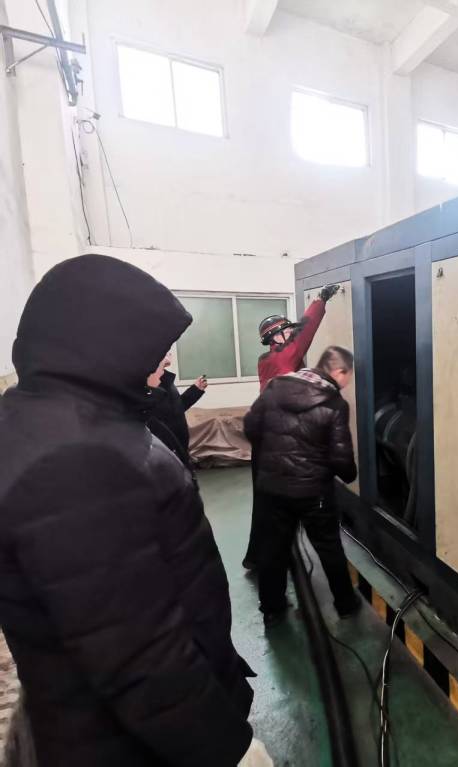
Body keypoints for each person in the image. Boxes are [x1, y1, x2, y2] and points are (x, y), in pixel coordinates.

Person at [0, 254, 269, 766]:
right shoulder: (76, 461)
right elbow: (140, 656)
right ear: (107, 347)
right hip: (126, 744)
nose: (158, 369)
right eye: (153, 356)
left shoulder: (42, 421)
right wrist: (229, 750)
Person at [243, 346, 360, 626]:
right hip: (313, 492)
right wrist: (349, 475)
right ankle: (345, 604)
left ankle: (272, 607)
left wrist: (272, 454)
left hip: (273, 488)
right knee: (328, 547)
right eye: (349, 376)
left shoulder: (275, 388)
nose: (347, 382)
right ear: (339, 371)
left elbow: (250, 426)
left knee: (274, 548)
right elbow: (341, 457)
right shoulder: (334, 404)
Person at [243, 283, 340, 570]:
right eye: (286, 331)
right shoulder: (281, 357)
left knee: (266, 500)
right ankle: (272, 558)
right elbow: (304, 334)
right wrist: (320, 300)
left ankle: (259, 556)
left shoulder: (267, 360)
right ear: (275, 337)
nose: (291, 334)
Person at [143, 352, 208, 466]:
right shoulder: (148, 385)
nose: (169, 353)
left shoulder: (166, 380)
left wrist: (195, 390)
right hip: (165, 449)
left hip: (179, 445)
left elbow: (177, 408)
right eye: (165, 351)